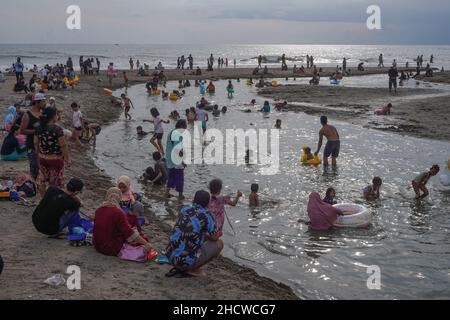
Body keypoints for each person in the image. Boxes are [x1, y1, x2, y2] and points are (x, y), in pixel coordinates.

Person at [165, 190, 222, 277]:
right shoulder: (207, 216)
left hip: (170, 255)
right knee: (219, 244)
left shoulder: (184, 209)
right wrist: (208, 235)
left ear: (193, 200)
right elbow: (215, 238)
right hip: (184, 262)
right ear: (208, 203)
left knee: (195, 236)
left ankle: (186, 266)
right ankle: (192, 269)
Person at [93, 187, 153, 259]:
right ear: (119, 198)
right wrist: (146, 243)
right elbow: (128, 232)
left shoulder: (99, 209)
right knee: (134, 239)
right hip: (109, 248)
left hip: (97, 244)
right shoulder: (118, 212)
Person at [34, 107, 70, 196]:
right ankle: (54, 201)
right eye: (57, 114)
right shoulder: (57, 129)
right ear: (53, 116)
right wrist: (67, 158)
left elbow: (35, 143)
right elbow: (63, 145)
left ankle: (44, 199)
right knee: (56, 182)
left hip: (42, 157)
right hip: (56, 159)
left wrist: (38, 153)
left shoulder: (39, 128)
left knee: (41, 180)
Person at [20, 93, 46, 180]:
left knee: (43, 168)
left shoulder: (43, 113)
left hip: (43, 145)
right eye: (43, 101)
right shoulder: (27, 115)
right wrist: (35, 131)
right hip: (32, 145)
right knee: (34, 167)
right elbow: (22, 130)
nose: (44, 103)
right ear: (37, 102)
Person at [165, 120, 187, 200]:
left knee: (171, 176)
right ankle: (180, 195)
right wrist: (183, 162)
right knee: (180, 177)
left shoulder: (171, 132)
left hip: (169, 158)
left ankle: (166, 193)